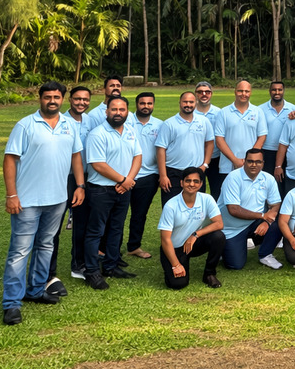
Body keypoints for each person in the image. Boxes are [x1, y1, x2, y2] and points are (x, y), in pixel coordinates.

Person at [1, 82, 84, 325]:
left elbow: (76, 155)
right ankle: (11, 304)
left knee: (46, 245)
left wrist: (80, 186)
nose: (52, 101)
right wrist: (11, 195)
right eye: (47, 97)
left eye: (56, 97)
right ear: (40, 98)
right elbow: (10, 159)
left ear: (62, 99)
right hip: (27, 201)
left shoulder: (69, 125)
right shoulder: (25, 125)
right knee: (20, 251)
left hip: (58, 199)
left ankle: (36, 290)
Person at [82, 96, 141, 290]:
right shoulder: (97, 134)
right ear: (106, 112)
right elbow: (98, 164)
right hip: (101, 190)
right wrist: (123, 180)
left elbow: (137, 157)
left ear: (127, 112)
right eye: (114, 109)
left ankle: (111, 266)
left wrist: (128, 182)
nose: (118, 113)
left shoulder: (131, 131)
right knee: (96, 231)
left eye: (122, 109)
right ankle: (92, 271)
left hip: (124, 189)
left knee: (116, 228)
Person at [158, 166, 224, 289]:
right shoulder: (171, 205)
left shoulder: (207, 199)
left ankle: (209, 274)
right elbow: (165, 240)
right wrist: (176, 265)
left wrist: (195, 235)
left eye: (196, 181)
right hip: (175, 247)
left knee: (218, 236)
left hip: (194, 243)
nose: (192, 184)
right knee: (178, 284)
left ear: (201, 184)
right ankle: (178, 264)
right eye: (188, 181)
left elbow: (219, 224)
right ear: (181, 183)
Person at [218, 148, 283, 271]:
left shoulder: (268, 178)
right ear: (244, 162)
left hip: (254, 222)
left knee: (279, 222)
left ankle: (265, 255)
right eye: (250, 161)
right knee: (235, 265)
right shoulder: (233, 178)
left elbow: (276, 204)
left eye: (258, 162)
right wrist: (262, 216)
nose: (254, 165)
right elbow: (234, 210)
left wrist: (267, 222)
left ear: (263, 163)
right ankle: (223, 248)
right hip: (231, 228)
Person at [52, 85, 90, 289]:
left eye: (85, 99)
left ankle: (79, 265)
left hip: (84, 179)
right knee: (54, 226)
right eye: (77, 99)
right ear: (70, 100)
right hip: (61, 178)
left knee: (81, 224)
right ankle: (50, 271)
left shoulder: (91, 121)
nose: (81, 103)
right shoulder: (61, 121)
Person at [155, 92, 214, 204]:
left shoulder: (204, 121)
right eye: (185, 102)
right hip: (173, 172)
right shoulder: (169, 124)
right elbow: (160, 149)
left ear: (196, 103)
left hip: (196, 171)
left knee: (196, 207)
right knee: (171, 206)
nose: (188, 104)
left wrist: (205, 165)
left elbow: (210, 143)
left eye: (191, 102)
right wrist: (163, 175)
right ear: (180, 103)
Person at [124, 93, 163, 262]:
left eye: (149, 103)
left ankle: (134, 246)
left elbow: (163, 150)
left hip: (149, 176)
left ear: (153, 105)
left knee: (139, 214)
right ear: (136, 104)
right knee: (117, 214)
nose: (145, 106)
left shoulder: (160, 125)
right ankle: (107, 248)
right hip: (125, 176)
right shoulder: (126, 122)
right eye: (142, 103)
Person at [212, 80, 265, 199]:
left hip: (252, 166)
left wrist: (250, 160)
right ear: (235, 92)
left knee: (250, 199)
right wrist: (235, 160)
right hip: (228, 166)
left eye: (246, 91)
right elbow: (219, 140)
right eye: (240, 91)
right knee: (228, 200)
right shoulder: (224, 112)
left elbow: (262, 136)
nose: (243, 94)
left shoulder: (258, 112)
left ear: (250, 93)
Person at [260, 80, 295, 177]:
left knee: (284, 181)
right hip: (267, 151)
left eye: (279, 90)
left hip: (287, 152)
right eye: (274, 90)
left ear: (283, 91)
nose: (277, 92)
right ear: (269, 91)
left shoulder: (294, 110)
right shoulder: (260, 109)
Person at [193, 81, 221, 180]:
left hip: (216, 157)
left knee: (217, 190)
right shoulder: (190, 113)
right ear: (195, 94)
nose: (204, 94)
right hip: (196, 158)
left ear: (211, 94)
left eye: (207, 92)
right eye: (200, 92)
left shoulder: (219, 113)